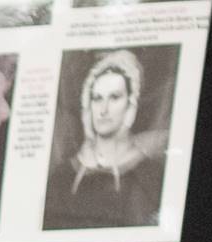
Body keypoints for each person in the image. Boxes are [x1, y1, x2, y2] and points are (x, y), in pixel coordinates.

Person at [51, 48, 170, 227]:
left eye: (114, 97)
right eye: (97, 98)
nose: (103, 109)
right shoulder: (62, 177)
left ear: (130, 104)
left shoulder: (150, 176)